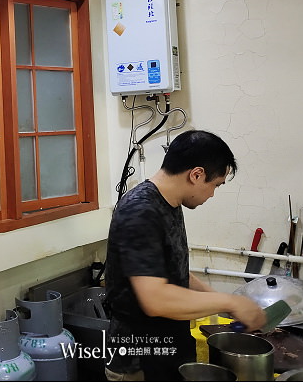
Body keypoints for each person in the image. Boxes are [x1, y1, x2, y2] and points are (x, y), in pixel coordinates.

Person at [102, 129, 266, 381]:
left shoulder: (169, 202)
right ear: (196, 175)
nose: (212, 194)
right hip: (139, 362)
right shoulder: (140, 211)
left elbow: (173, 271)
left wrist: (220, 302)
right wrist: (230, 302)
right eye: (215, 185)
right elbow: (155, 299)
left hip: (169, 349)